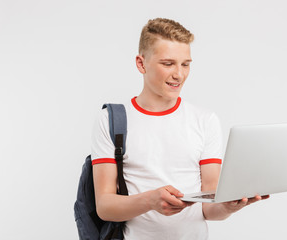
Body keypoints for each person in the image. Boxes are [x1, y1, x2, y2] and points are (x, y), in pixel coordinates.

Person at [91, 18, 269, 240]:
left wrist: (229, 206)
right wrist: (151, 201)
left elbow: (209, 207)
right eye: (168, 64)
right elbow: (105, 206)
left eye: (186, 64)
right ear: (141, 63)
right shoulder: (111, 119)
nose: (179, 74)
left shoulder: (205, 120)